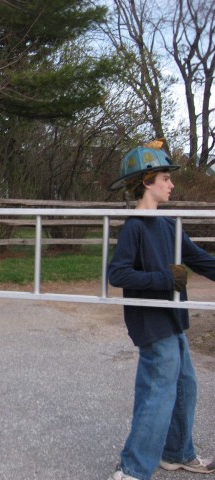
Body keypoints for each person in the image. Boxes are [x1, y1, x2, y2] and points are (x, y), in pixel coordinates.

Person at [106, 142, 215, 480]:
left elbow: (197, 259)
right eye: (166, 178)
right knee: (159, 391)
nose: (171, 185)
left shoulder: (168, 225)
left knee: (185, 386)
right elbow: (118, 273)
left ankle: (176, 453)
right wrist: (165, 278)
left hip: (172, 318)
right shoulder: (135, 226)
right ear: (146, 182)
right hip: (150, 320)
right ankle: (133, 468)